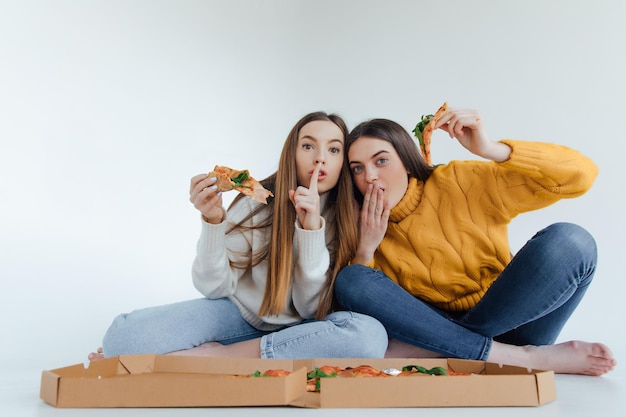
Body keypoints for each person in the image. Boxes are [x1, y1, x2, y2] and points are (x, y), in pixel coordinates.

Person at [334, 107, 617, 376]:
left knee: (573, 241)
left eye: (381, 161)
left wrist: (490, 148)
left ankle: (447, 350)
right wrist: (366, 247)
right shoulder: (355, 224)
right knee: (351, 278)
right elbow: (360, 314)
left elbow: (581, 175)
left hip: (515, 322)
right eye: (357, 168)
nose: (369, 177)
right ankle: (525, 358)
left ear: (407, 162)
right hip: (452, 332)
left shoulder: (460, 180)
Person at [88, 111, 388, 361]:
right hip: (241, 317)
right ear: (292, 154)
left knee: (369, 336)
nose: (320, 158)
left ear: (343, 162)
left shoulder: (352, 215)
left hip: (308, 330)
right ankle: (233, 353)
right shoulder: (255, 203)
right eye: (308, 146)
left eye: (333, 149)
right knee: (122, 338)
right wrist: (213, 220)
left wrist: (310, 231)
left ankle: (225, 357)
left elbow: (310, 309)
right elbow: (213, 288)